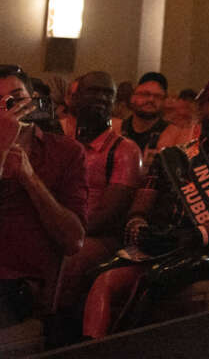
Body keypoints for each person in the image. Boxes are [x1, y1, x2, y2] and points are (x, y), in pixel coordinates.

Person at [81, 75, 209, 338]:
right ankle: (90, 347)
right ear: (202, 109)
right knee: (100, 277)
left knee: (154, 279)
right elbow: (141, 206)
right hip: (164, 243)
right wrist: (139, 226)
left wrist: (196, 234)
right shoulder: (171, 157)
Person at [0, 64, 86, 322]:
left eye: (17, 98)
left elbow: (74, 241)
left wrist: (29, 178)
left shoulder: (65, 152)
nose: (9, 107)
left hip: (19, 282)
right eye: (0, 102)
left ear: (34, 102)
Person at [55, 72, 143, 313]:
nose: (102, 98)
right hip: (58, 225)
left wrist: (62, 233)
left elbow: (109, 213)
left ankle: (55, 332)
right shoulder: (61, 142)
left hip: (97, 236)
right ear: (75, 99)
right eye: (94, 91)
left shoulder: (124, 149)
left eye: (108, 94)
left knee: (72, 257)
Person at [114, 72, 170, 161]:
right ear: (133, 98)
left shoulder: (172, 135)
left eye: (157, 96)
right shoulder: (116, 130)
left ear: (164, 101)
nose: (151, 100)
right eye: (145, 94)